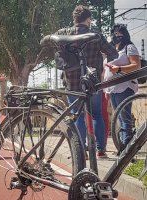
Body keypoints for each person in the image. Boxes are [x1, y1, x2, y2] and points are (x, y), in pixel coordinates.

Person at [55, 5, 118, 159]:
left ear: (74, 19)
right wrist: (103, 67)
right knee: (96, 115)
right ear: (88, 19)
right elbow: (113, 53)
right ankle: (101, 150)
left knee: (77, 116)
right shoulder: (95, 35)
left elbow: (55, 46)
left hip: (71, 83)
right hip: (92, 82)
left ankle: (81, 151)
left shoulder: (64, 33)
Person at [104, 24, 141, 153]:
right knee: (118, 118)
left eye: (119, 33)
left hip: (125, 87)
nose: (116, 36)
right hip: (113, 89)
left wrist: (119, 69)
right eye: (114, 33)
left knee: (125, 118)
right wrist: (106, 89)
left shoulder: (129, 47)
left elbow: (136, 65)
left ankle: (126, 149)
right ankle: (123, 147)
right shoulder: (113, 50)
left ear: (125, 34)